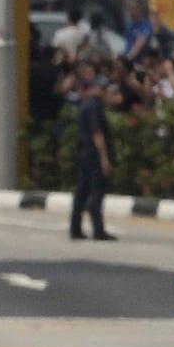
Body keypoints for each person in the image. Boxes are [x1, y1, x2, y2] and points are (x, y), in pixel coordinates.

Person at [67, 68, 115, 240]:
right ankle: (98, 229)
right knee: (96, 190)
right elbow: (97, 134)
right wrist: (104, 158)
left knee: (81, 191)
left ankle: (75, 227)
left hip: (83, 152)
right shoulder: (95, 106)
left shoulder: (84, 105)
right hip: (93, 153)